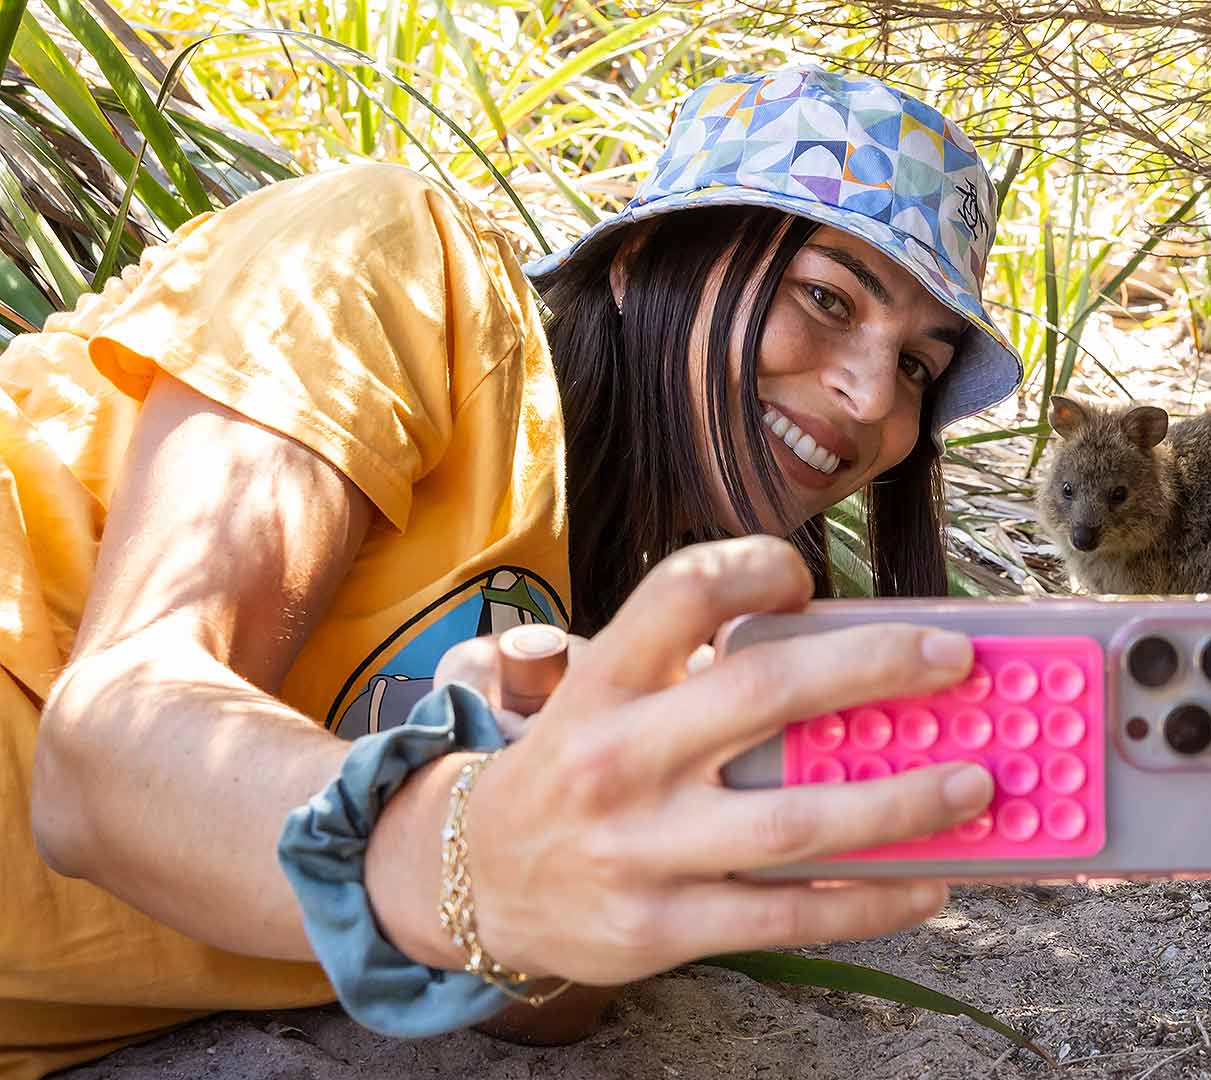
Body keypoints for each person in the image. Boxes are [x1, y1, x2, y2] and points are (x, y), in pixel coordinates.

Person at [0, 65, 1022, 1078]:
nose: (867, 395)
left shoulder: (639, 619)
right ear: (645, 259)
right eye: (828, 297)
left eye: (918, 367)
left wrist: (613, 838)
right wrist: (459, 844)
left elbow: (537, 999)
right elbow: (103, 753)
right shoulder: (398, 265)